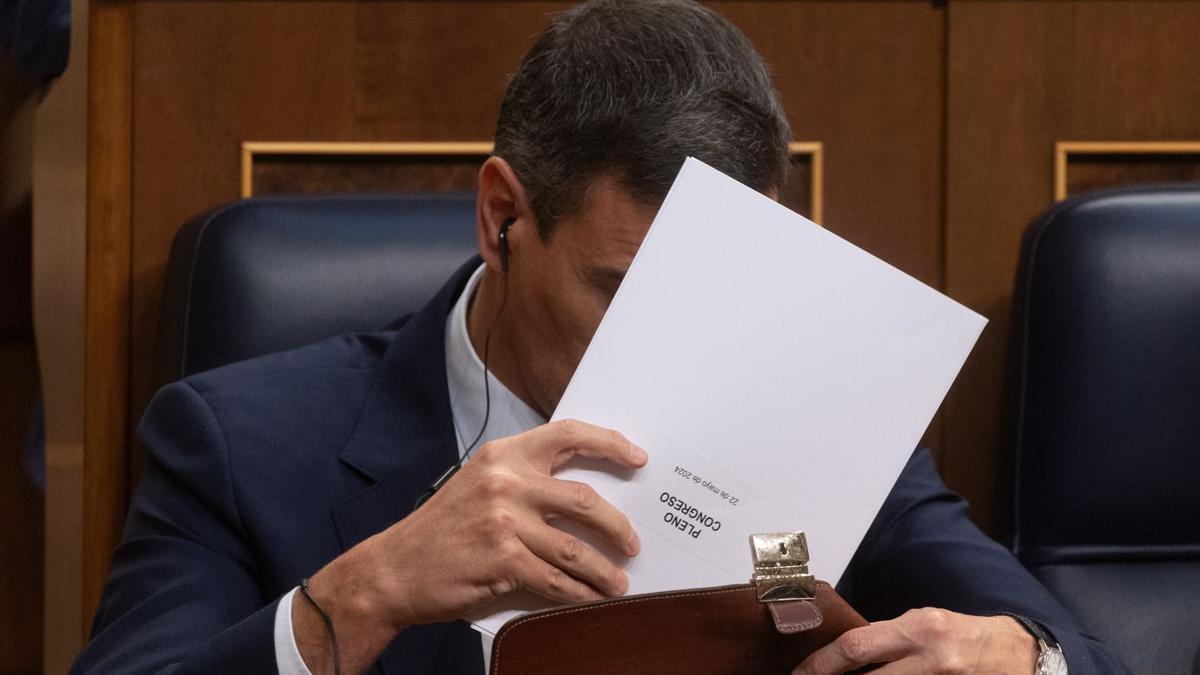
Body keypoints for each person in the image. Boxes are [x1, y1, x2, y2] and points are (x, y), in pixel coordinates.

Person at [73, 1, 1127, 673]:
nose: (682, 345)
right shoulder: (235, 442)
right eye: (624, 293)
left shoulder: (820, 439)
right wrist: (363, 593)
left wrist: (1021, 660)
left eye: (724, 293)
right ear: (503, 219)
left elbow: (1084, 655)